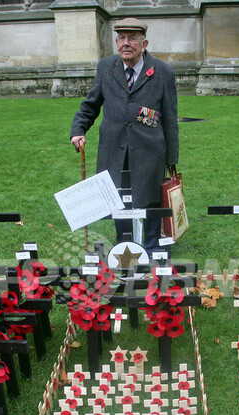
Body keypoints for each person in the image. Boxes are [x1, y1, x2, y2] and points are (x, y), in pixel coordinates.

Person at [70, 18, 179, 254]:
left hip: (149, 151)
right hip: (113, 149)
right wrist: (78, 129)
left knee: (151, 199)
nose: (125, 43)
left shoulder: (163, 72)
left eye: (132, 38)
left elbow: (170, 119)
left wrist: (171, 159)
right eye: (121, 38)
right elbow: (91, 105)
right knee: (116, 197)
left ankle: (152, 248)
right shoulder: (106, 67)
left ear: (144, 44)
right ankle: (124, 246)